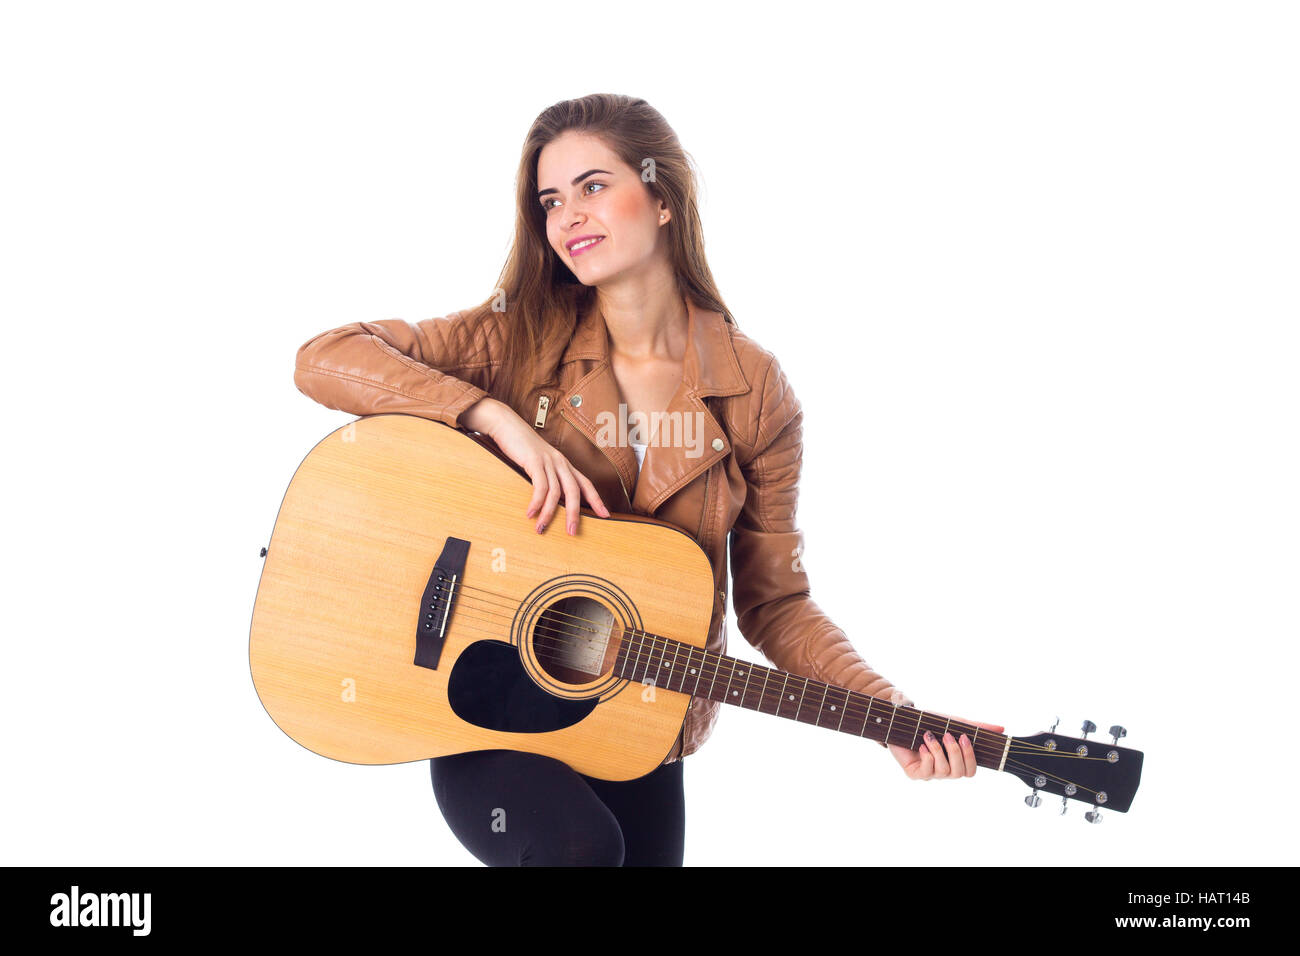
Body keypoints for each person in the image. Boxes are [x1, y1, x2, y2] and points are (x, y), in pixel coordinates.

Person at [292, 94, 1002, 866]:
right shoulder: (518, 333)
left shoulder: (753, 391)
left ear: (662, 198)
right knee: (578, 850)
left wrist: (887, 712)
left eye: (593, 186)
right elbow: (326, 357)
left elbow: (777, 603)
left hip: (635, 725)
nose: (568, 217)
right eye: (550, 200)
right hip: (486, 705)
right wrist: (494, 419)